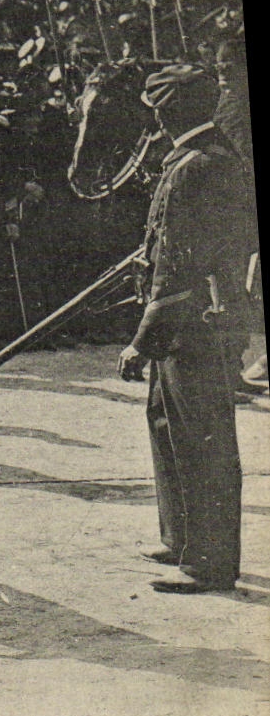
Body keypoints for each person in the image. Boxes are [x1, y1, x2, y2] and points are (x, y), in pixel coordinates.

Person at [118, 65, 257, 595]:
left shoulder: (192, 169)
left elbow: (177, 268)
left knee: (201, 439)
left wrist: (139, 341)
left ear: (164, 112)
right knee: (165, 422)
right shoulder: (211, 155)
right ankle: (179, 537)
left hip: (191, 324)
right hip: (200, 319)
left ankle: (208, 562)